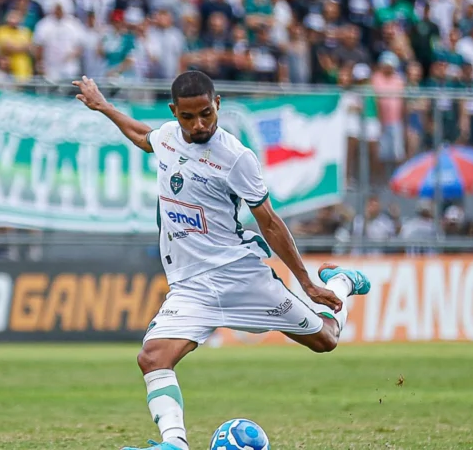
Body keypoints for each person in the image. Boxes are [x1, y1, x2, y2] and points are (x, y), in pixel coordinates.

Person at [73, 71, 372, 450]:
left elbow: (270, 223)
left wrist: (308, 282)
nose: (198, 125)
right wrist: (103, 107)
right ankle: (175, 443)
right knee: (152, 358)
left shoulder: (236, 158)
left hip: (241, 278)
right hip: (191, 286)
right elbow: (140, 136)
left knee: (325, 341)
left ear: (218, 105)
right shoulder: (167, 137)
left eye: (206, 114)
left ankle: (341, 282)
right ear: (174, 112)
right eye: (188, 117)